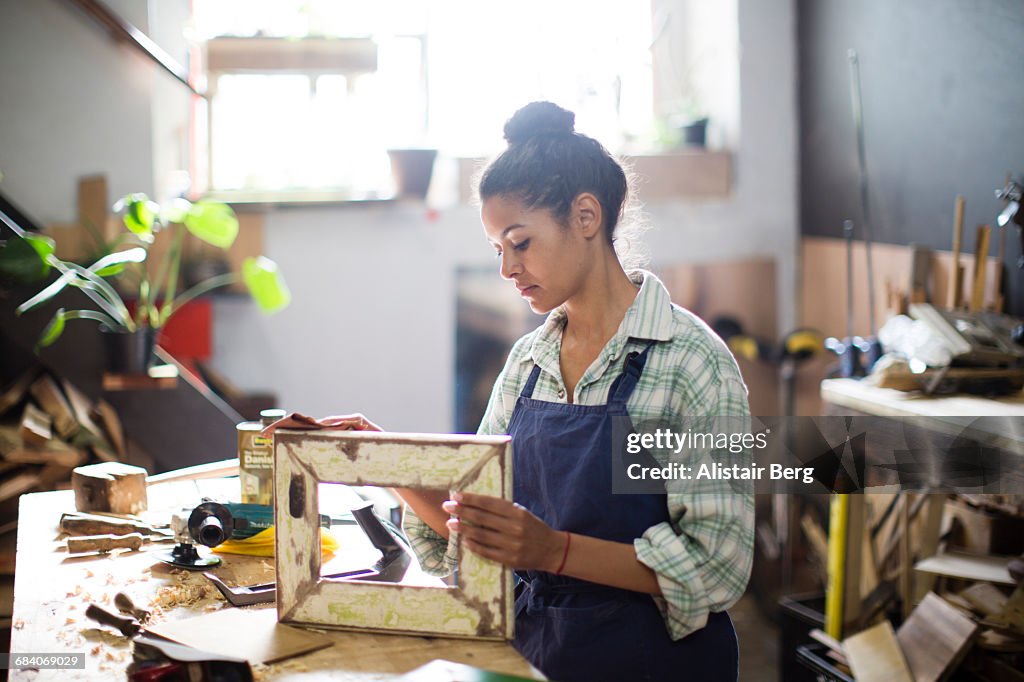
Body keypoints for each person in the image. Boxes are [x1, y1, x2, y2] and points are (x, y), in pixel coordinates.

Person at [352, 101, 754, 681]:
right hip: (538, 657)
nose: (508, 269)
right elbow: (481, 529)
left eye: (521, 242)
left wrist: (552, 551)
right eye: (498, 250)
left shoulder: (692, 363)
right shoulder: (529, 363)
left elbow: (716, 566)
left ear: (586, 216)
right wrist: (381, 458)